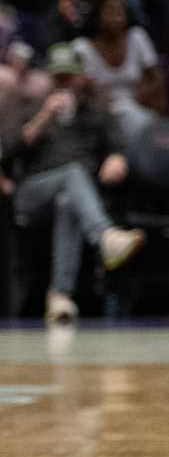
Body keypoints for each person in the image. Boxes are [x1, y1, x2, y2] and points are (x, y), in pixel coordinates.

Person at [2, 43, 146, 322]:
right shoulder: (29, 106)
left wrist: (117, 159)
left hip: (78, 198)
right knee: (73, 173)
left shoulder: (97, 111)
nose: (64, 83)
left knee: (68, 200)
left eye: (69, 76)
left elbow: (119, 146)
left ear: (81, 77)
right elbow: (8, 151)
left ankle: (59, 297)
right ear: (49, 78)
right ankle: (105, 236)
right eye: (58, 77)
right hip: (31, 195)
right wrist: (43, 116)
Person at [77, 0, 165, 142]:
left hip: (138, 107)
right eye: (110, 11)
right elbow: (78, 89)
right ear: (97, 17)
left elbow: (157, 78)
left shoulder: (137, 37)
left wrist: (142, 95)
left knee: (133, 115)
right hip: (101, 114)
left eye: (120, 12)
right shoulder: (82, 48)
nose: (116, 17)